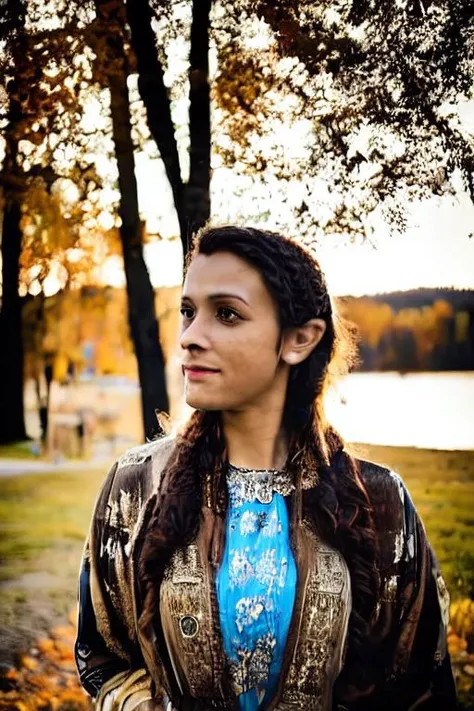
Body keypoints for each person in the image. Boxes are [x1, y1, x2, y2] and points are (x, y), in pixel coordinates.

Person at [75, 226, 457, 711]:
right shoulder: (133, 487)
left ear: (299, 339)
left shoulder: (380, 502)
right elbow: (103, 655)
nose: (190, 338)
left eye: (227, 314)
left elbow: (421, 685)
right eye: (188, 312)